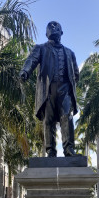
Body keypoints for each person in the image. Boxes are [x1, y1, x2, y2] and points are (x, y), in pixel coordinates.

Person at [20, 21, 79, 157]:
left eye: (56, 26)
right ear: (46, 34)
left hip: (65, 90)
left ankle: (69, 149)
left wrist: (69, 86)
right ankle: (50, 150)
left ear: (61, 32)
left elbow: (76, 74)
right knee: (49, 119)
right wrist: (25, 71)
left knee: (67, 117)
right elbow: (31, 60)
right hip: (48, 90)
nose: (53, 28)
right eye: (50, 27)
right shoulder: (40, 48)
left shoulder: (70, 53)